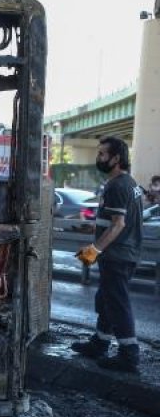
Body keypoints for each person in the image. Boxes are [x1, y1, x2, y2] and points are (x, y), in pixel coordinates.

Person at [71, 136, 143, 373]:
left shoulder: (117, 185)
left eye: (102, 154)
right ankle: (100, 342)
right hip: (123, 253)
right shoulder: (130, 184)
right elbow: (116, 221)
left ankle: (128, 354)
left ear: (116, 158)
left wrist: (94, 250)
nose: (98, 158)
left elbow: (118, 224)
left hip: (117, 256)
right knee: (106, 300)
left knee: (117, 303)